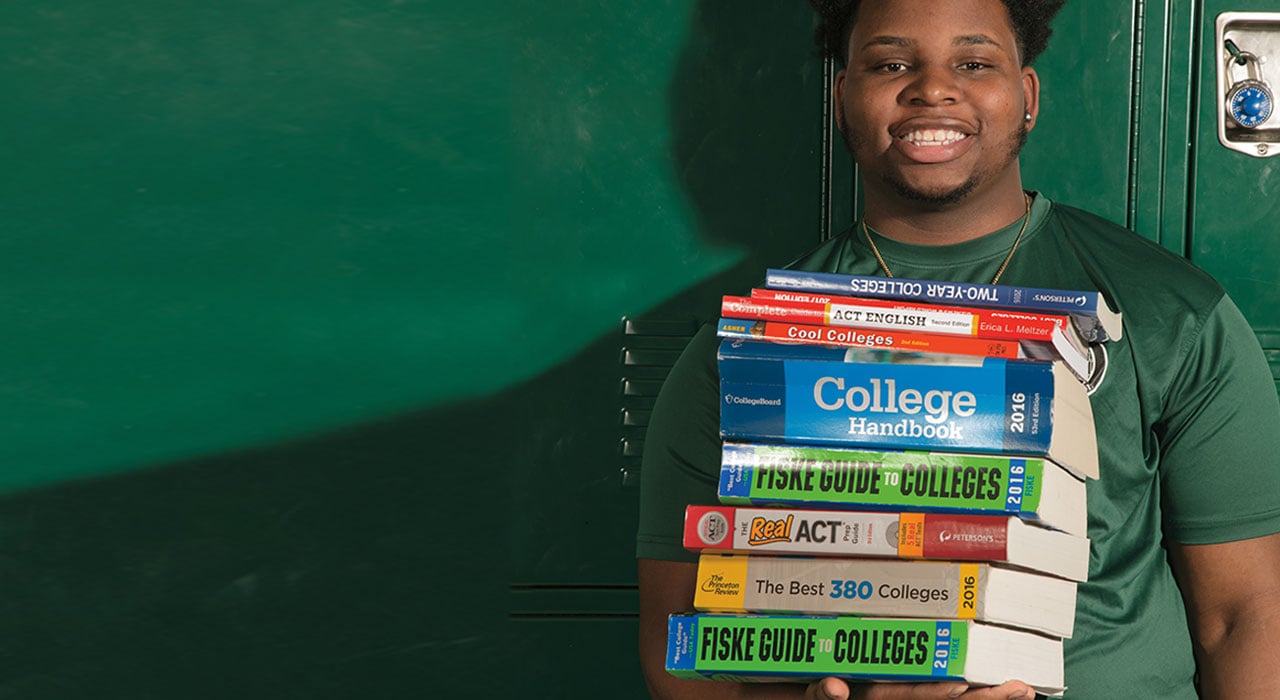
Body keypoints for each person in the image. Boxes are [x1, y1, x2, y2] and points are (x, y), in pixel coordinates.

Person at [635, 0, 1280, 698]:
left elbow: (1245, 617)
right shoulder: (744, 350)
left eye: (973, 63)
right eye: (890, 64)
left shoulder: (1173, 314)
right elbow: (679, 632)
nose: (933, 88)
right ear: (842, 97)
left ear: (1027, 97)